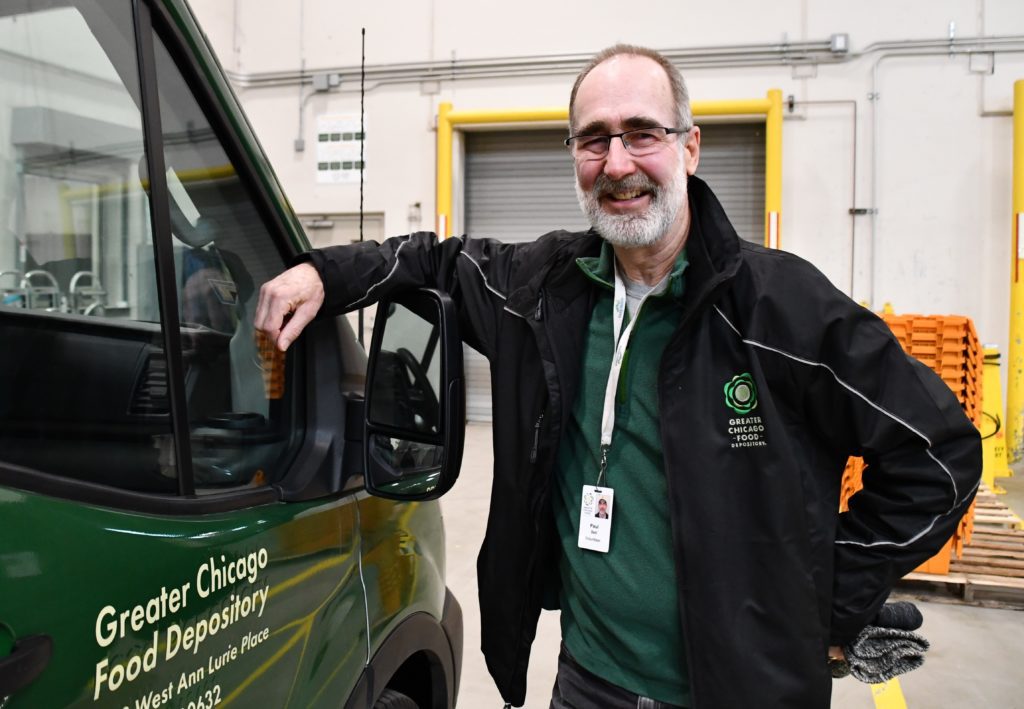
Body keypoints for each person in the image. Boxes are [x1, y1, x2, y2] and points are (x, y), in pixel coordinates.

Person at [255, 44, 981, 709]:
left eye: (643, 133)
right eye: (593, 138)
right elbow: (433, 261)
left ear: (689, 146)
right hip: (587, 681)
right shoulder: (543, 289)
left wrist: (831, 598)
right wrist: (325, 273)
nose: (618, 161)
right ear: (573, 154)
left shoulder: (782, 311)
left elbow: (938, 454)